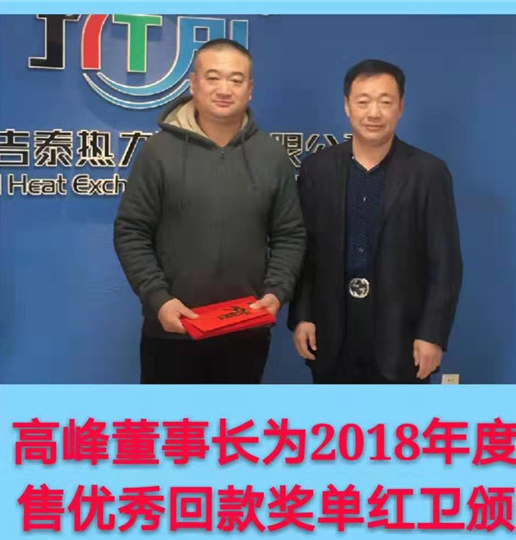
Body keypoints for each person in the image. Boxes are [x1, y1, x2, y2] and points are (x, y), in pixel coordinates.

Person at [114, 39, 305, 384]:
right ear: (193, 83)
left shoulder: (271, 155)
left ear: (250, 89)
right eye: (213, 77)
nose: (224, 89)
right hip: (171, 330)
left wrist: (276, 292)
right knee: (172, 421)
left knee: (233, 420)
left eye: (236, 79)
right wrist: (159, 300)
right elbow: (131, 231)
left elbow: (289, 234)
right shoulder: (158, 152)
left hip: (246, 331)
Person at [290, 59, 462, 384]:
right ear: (347, 106)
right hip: (332, 330)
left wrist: (432, 334)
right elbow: (305, 251)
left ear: (400, 107)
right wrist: (303, 316)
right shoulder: (317, 169)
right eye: (363, 101)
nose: (374, 113)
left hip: (402, 335)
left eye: (385, 102)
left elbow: (445, 263)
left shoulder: (428, 173)